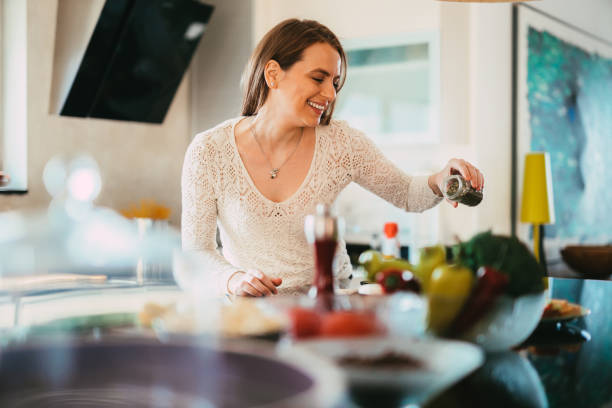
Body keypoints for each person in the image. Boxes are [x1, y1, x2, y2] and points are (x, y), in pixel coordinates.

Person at [181, 19, 484, 297]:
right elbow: (196, 252)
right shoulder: (209, 151)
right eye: (318, 78)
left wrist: (440, 179)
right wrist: (234, 279)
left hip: (330, 306)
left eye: (335, 82)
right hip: (252, 316)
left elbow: (405, 193)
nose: (331, 94)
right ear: (273, 74)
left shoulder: (341, 143)